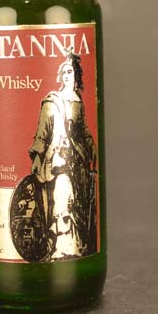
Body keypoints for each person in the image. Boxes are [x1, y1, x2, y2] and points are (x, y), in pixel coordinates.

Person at [28, 53, 97, 258]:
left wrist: (91, 146)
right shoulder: (52, 102)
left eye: (70, 71)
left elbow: (83, 130)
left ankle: (75, 247)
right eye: (64, 72)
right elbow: (42, 132)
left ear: (76, 75)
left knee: (77, 203)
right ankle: (59, 246)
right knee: (61, 195)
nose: (67, 75)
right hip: (57, 161)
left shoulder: (78, 101)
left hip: (77, 161)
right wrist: (38, 156)